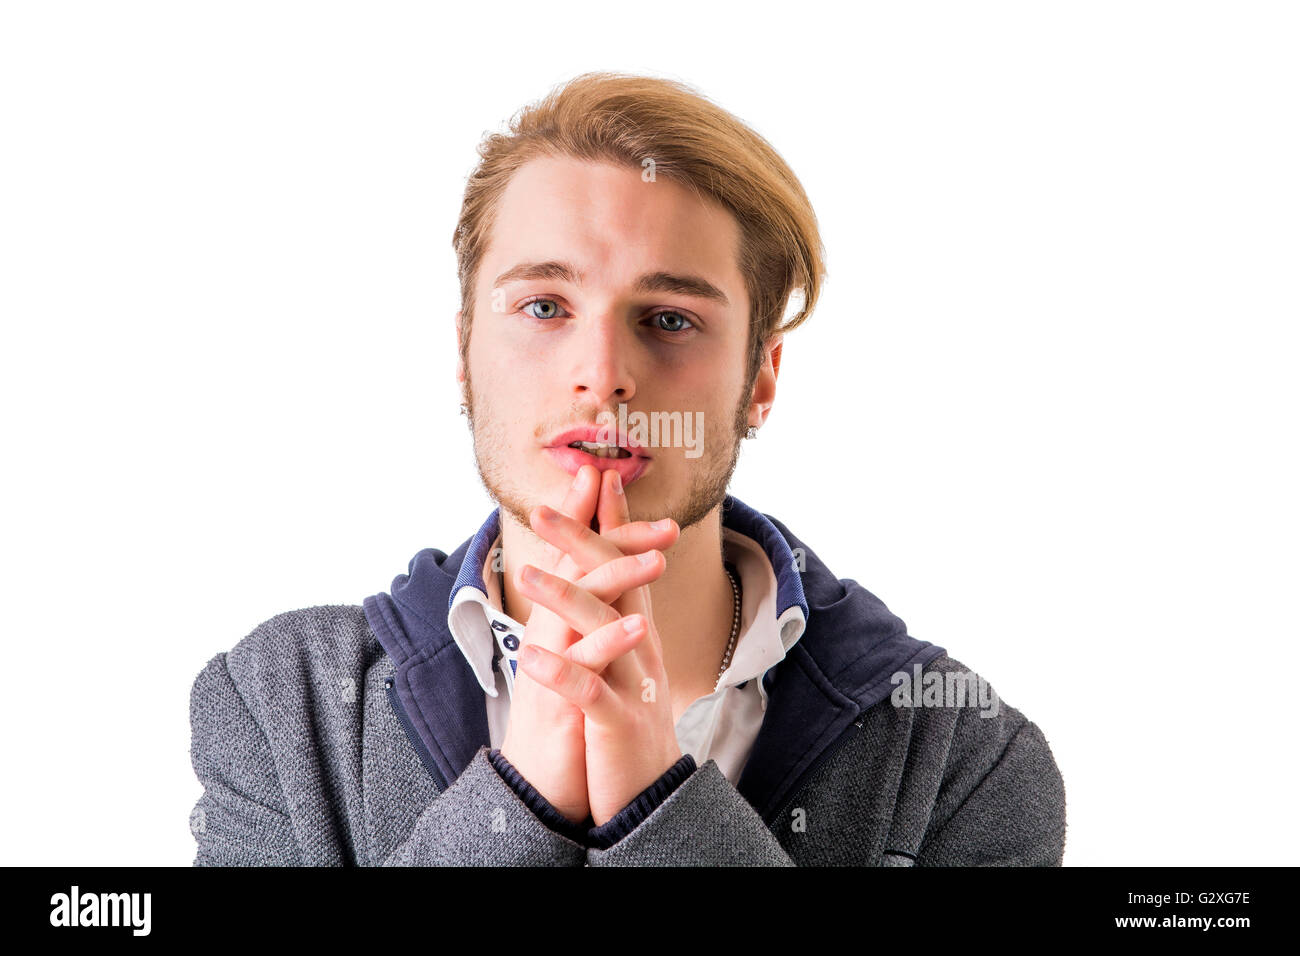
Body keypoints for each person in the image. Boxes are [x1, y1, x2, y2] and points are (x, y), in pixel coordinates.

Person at [189, 72, 1066, 866]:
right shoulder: (282, 707)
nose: (602, 370)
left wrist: (659, 801)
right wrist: (523, 795)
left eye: (671, 318)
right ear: (464, 351)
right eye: (543, 306)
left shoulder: (964, 760)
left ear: (760, 377)